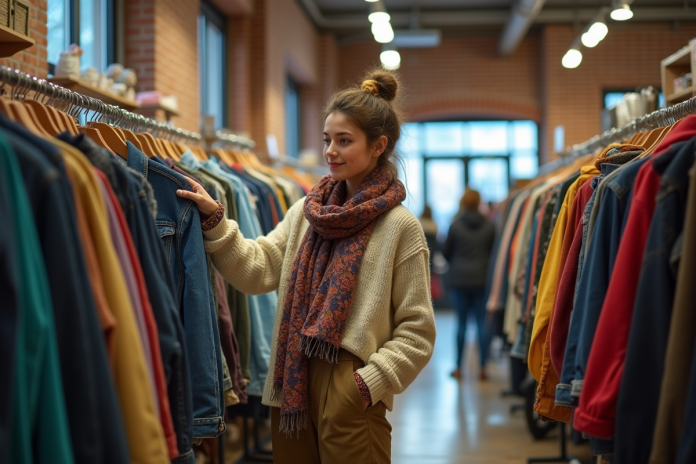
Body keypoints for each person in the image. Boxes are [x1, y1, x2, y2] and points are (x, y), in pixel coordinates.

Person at [176, 69, 436, 464]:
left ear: (378, 145)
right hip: (292, 381)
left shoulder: (400, 227)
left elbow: (417, 331)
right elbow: (259, 269)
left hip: (350, 382)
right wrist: (215, 221)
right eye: (328, 139)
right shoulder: (307, 213)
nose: (330, 151)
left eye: (344, 141)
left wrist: (365, 385)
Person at [443, 189, 495, 381]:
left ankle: (458, 367)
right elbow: (493, 255)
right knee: (482, 323)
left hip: (459, 280)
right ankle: (482, 367)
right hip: (481, 280)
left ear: (463, 203)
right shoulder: (490, 226)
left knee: (461, 323)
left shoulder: (455, 226)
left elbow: (446, 254)